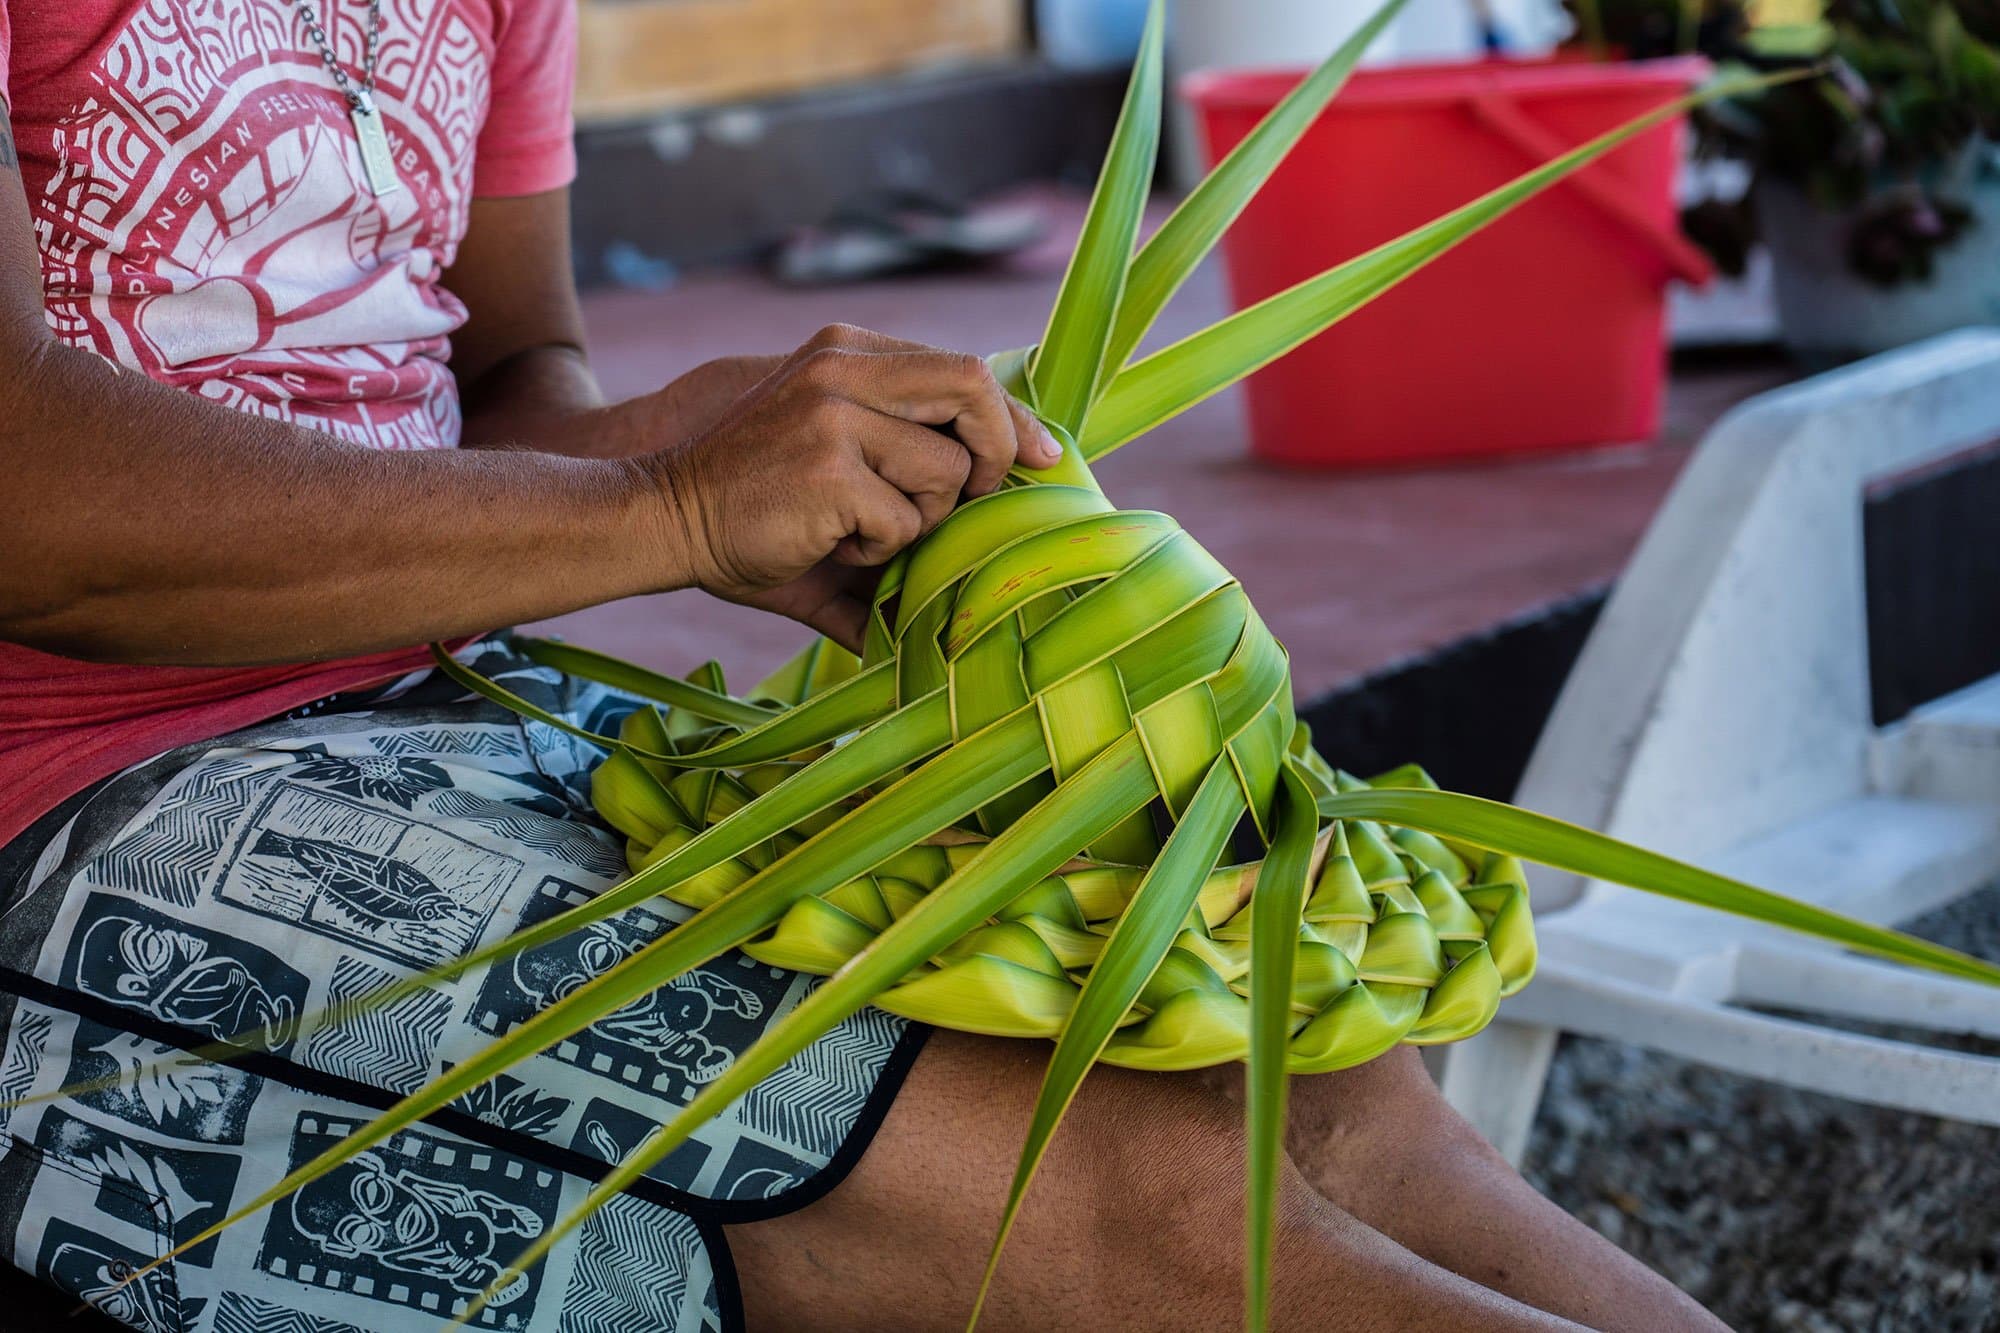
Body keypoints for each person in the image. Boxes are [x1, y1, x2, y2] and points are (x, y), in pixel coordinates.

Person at [0, 3, 1729, 1330]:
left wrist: (750, 451)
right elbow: (29, 502)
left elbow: (520, 372)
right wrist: (665, 504)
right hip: (71, 784)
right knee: (1118, 1198)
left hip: (446, 704)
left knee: (1287, 1053)